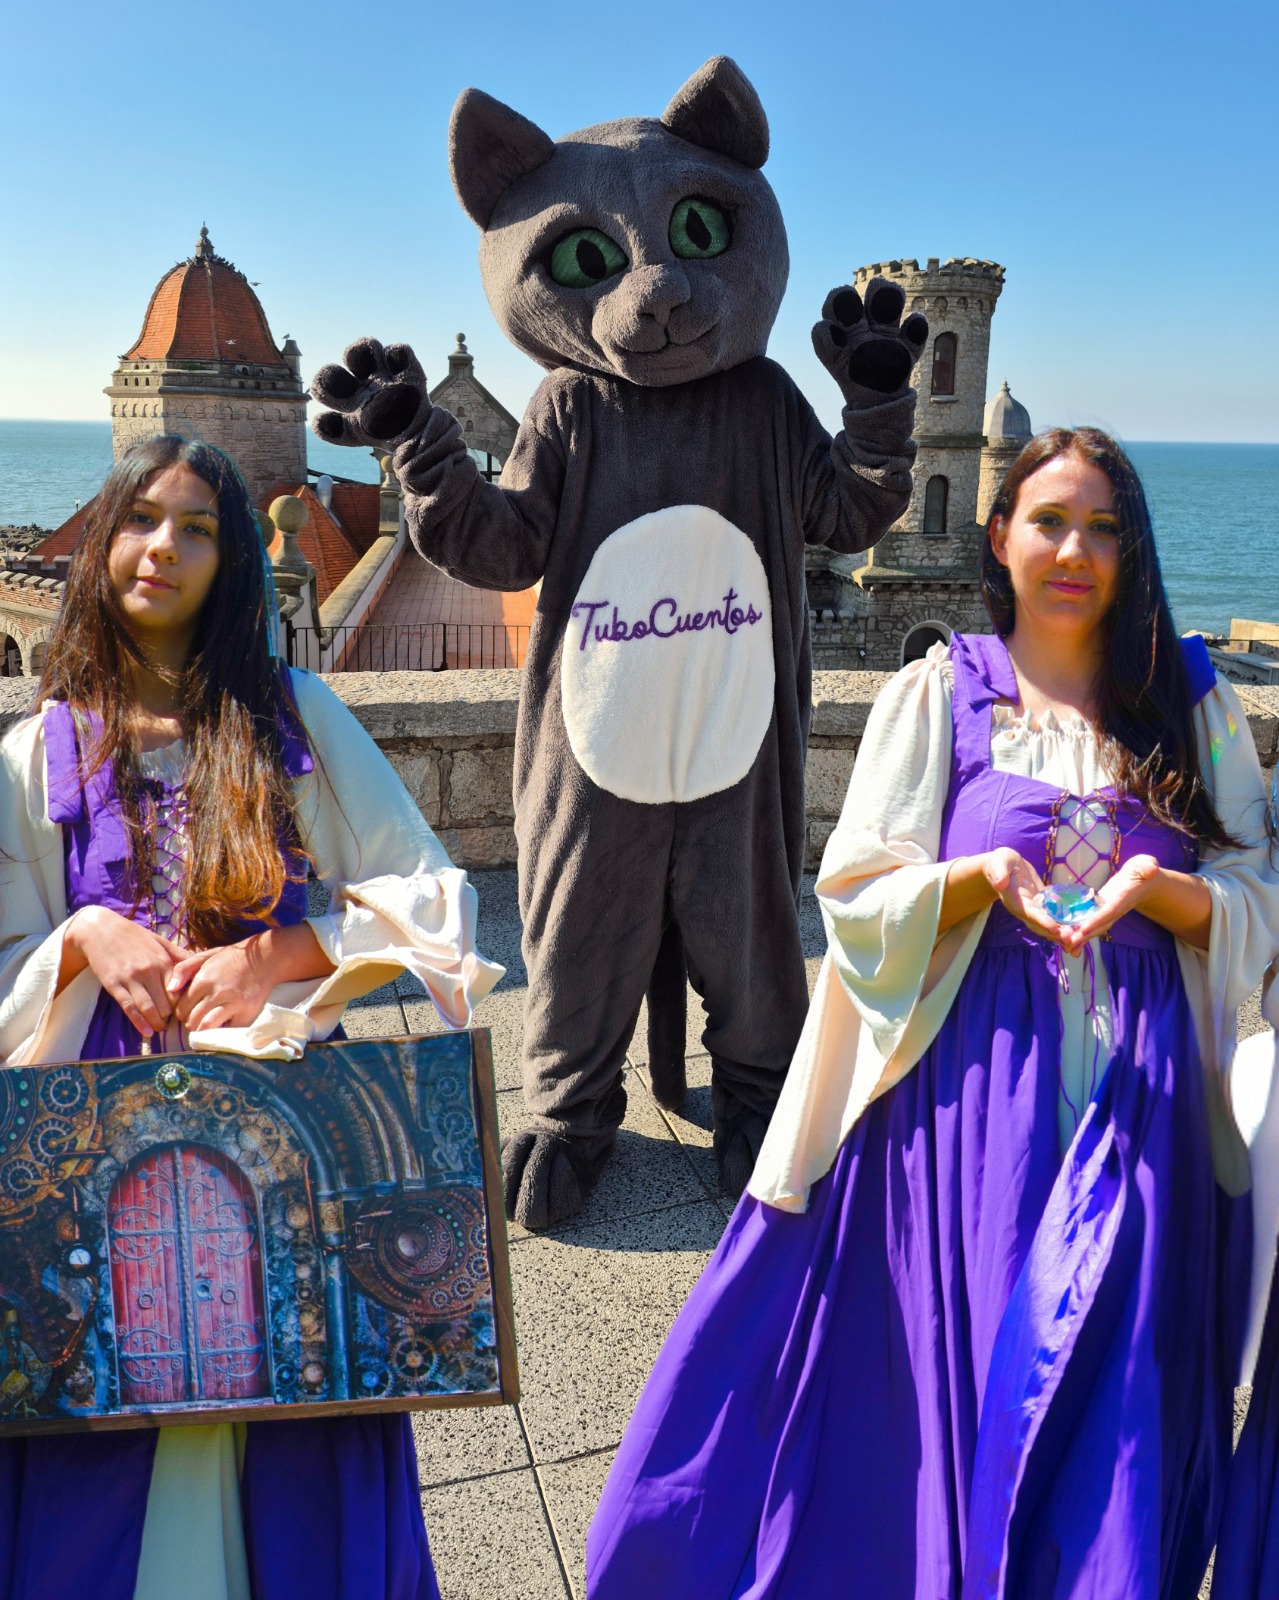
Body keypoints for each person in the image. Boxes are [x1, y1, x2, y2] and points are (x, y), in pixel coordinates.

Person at [587, 427, 1279, 1598]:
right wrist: (976, 881)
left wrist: (1168, 895)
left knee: (1117, 1389)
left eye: (1104, 526)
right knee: (981, 1358)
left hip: (1146, 1100)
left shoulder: (1191, 704)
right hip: (971, 1098)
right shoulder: (940, 692)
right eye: (1049, 520)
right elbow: (855, 892)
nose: (1075, 549)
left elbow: (1261, 894)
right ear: (996, 536)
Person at [0, 436, 502, 1600]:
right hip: (95, 1170)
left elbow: (437, 904)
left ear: (231, 562)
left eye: (196, 528)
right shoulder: (37, 758)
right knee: (107, 1477)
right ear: (101, 545)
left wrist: (280, 951)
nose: (161, 548)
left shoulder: (296, 719)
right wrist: (82, 938)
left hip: (285, 1157)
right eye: (139, 520)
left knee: (287, 1444)